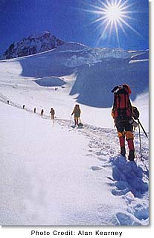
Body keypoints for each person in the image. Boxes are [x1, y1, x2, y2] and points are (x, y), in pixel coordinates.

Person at [111, 84, 136, 161]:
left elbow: (113, 110)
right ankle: (131, 153)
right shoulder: (126, 94)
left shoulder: (116, 96)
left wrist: (115, 118)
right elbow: (129, 106)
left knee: (121, 134)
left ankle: (123, 151)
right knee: (129, 134)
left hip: (118, 119)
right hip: (128, 118)